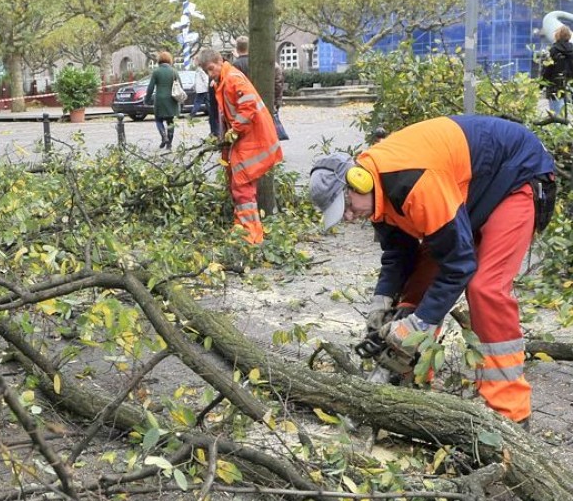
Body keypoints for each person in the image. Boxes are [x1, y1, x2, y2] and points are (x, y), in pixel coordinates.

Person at [309, 115, 557, 427]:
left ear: (358, 180)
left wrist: (421, 322)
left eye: (346, 207)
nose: (347, 217)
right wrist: (381, 301)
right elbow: (399, 254)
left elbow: (460, 264)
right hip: (473, 191)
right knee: (417, 286)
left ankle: (509, 413)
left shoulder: (413, 181)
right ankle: (407, 374)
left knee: (485, 287)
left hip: (517, 177)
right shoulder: (377, 194)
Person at [199, 48, 283, 244]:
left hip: (252, 139)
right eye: (206, 72)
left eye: (211, 69)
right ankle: (243, 229)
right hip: (249, 138)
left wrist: (235, 129)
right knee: (238, 184)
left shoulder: (232, 79)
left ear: (220, 61)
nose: (210, 74)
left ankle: (250, 235)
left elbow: (247, 106)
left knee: (242, 185)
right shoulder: (224, 80)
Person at [144, 51, 180, 149]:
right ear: (169, 60)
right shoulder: (174, 71)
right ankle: (169, 144)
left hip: (159, 100)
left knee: (158, 120)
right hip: (172, 100)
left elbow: (150, 88)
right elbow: (180, 87)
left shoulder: (156, 72)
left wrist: (146, 100)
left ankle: (164, 137)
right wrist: (181, 102)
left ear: (160, 60)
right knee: (170, 121)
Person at [542, 25, 573, 117]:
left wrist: (541, 85)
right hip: (570, 85)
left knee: (556, 114)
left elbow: (547, 69)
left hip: (555, 86)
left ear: (557, 35)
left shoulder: (553, 50)